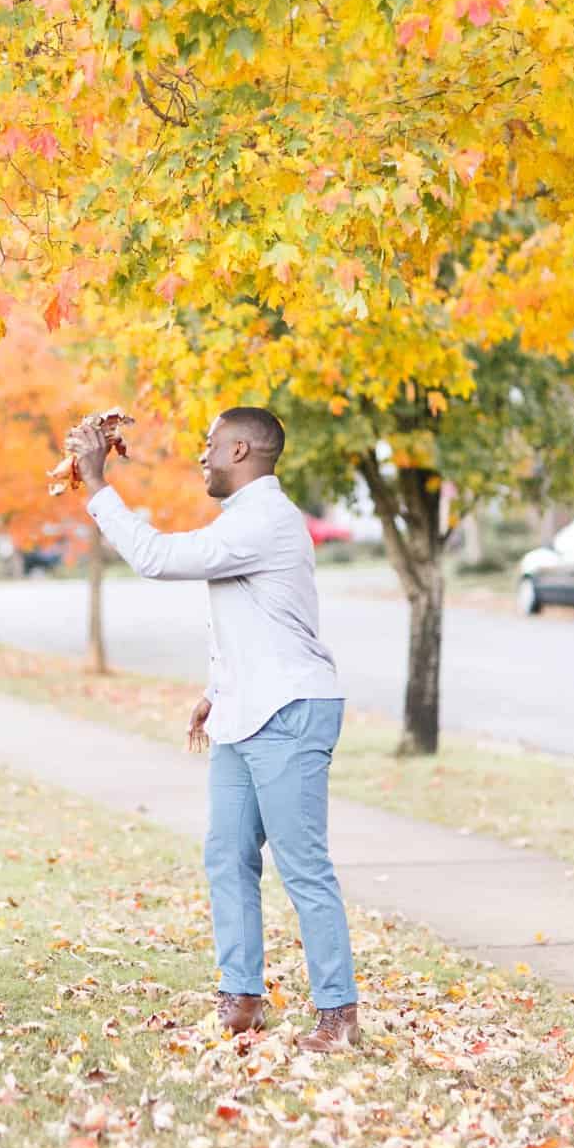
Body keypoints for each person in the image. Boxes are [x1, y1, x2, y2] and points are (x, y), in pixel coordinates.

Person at [65, 408, 360, 1053]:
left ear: (241, 448)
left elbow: (156, 557)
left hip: (289, 711)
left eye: (209, 445)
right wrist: (214, 690)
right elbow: (260, 619)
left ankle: (338, 1015)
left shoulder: (266, 520)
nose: (201, 457)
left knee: (303, 868)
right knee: (226, 856)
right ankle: (242, 1000)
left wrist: (96, 484)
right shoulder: (244, 522)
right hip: (243, 710)